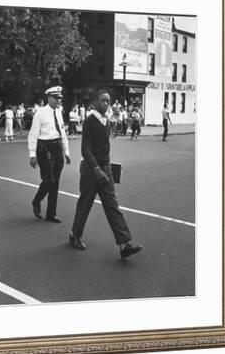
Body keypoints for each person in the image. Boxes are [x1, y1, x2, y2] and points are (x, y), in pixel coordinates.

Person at [68, 89, 143, 259]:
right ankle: (75, 235)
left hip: (105, 169)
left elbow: (105, 148)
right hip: (90, 170)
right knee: (85, 204)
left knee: (112, 205)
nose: (107, 104)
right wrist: (96, 169)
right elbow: (85, 149)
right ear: (95, 102)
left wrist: (108, 167)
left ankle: (124, 244)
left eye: (108, 101)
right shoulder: (89, 121)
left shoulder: (107, 122)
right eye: (103, 101)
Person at [28, 86, 71, 223]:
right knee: (49, 180)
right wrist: (32, 154)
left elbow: (62, 132)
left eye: (60, 98)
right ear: (49, 98)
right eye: (57, 98)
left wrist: (66, 152)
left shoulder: (58, 112)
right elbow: (33, 135)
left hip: (57, 148)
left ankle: (51, 213)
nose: (59, 100)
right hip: (45, 149)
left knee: (55, 183)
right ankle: (36, 201)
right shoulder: (40, 113)